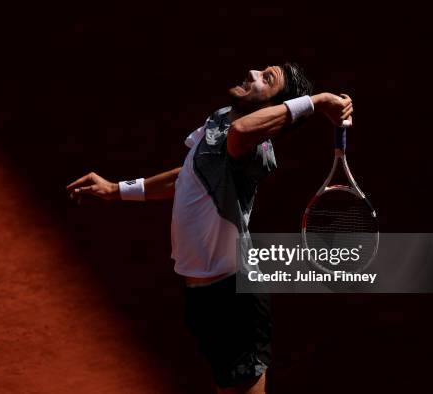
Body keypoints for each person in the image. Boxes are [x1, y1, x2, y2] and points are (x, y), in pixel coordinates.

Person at [66, 63, 353, 394]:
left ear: (274, 109)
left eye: (267, 78)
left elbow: (243, 133)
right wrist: (117, 190)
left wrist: (315, 102)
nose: (252, 72)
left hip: (234, 296)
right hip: (202, 294)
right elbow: (188, 173)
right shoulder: (220, 120)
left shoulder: (255, 149)